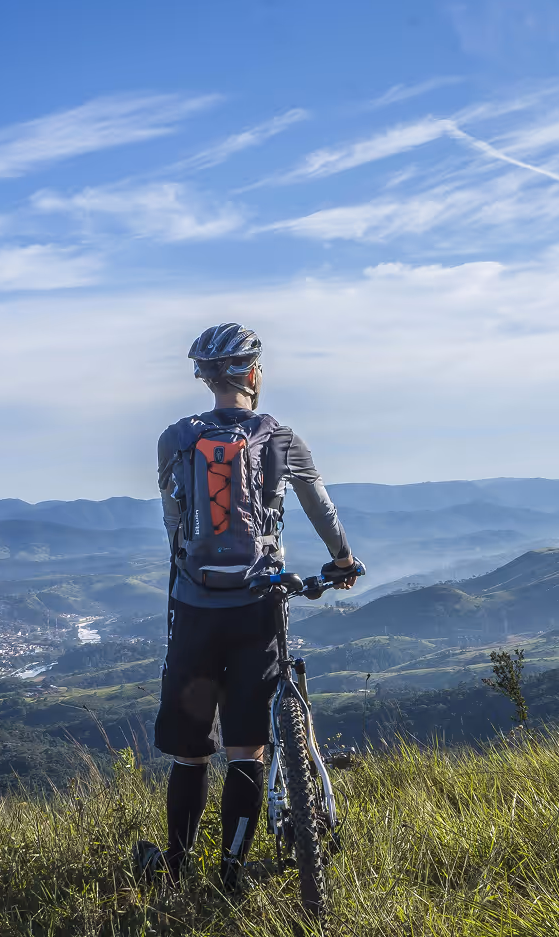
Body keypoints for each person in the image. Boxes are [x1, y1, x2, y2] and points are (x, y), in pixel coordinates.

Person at [133, 322, 358, 891]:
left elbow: (172, 522)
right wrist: (342, 560)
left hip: (193, 608)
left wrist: (192, 573)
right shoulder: (280, 437)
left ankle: (177, 868)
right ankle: (231, 871)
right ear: (254, 373)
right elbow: (321, 510)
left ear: (205, 377)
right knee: (246, 748)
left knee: (189, 754)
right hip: (259, 607)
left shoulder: (174, 438)